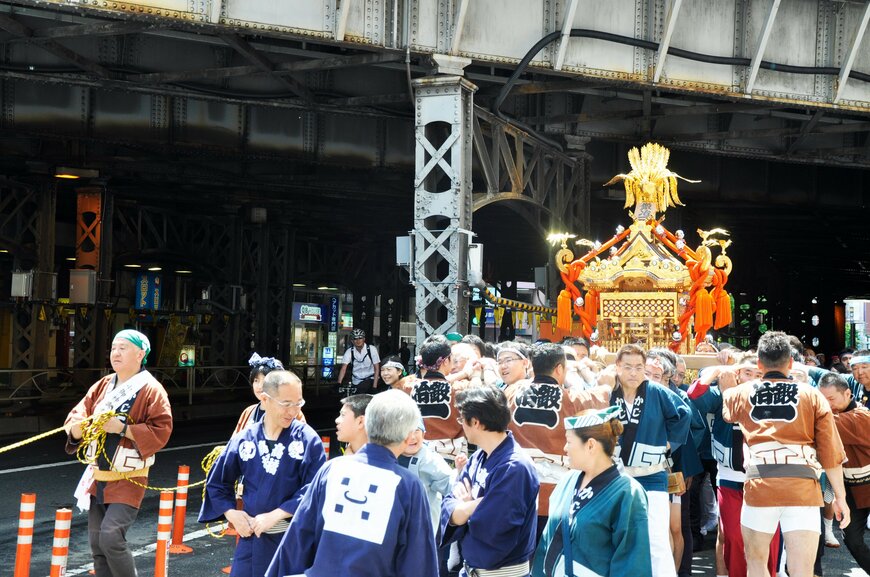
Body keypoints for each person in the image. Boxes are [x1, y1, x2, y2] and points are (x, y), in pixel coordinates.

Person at [265, 389, 439, 577]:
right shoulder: (409, 485)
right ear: (408, 437)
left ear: (367, 424)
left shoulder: (332, 469)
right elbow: (417, 560)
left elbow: (299, 537)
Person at [722, 331, 849, 577]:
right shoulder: (811, 395)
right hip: (803, 487)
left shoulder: (742, 392)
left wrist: (727, 380)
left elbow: (728, 409)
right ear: (790, 363)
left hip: (760, 484)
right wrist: (839, 497)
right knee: (802, 570)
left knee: (757, 564)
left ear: (759, 364)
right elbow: (830, 453)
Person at [64, 329, 173, 577]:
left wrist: (123, 429)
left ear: (140, 354)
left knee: (111, 536)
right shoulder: (103, 384)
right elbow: (78, 413)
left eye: (123, 348)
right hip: (98, 475)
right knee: (97, 542)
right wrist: (78, 428)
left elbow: (162, 429)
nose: (116, 353)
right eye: (113, 348)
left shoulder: (151, 389)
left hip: (129, 477)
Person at [200, 370, 325, 577]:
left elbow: (315, 487)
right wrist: (232, 514)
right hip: (252, 539)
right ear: (265, 400)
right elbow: (218, 483)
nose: (293, 411)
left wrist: (277, 514)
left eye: (298, 403)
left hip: (291, 540)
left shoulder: (307, 440)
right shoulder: (244, 438)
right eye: (286, 404)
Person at [687, 354, 781, 577]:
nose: (752, 378)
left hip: (768, 477)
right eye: (747, 373)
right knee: (735, 537)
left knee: (770, 537)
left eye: (758, 374)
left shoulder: (772, 394)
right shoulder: (722, 393)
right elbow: (695, 394)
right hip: (731, 477)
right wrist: (719, 372)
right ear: (737, 374)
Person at [532, 406, 652, 577]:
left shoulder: (628, 493)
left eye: (569, 441)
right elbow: (546, 544)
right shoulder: (567, 480)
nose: (565, 448)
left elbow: (632, 562)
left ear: (590, 445)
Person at [441, 385, 540, 577]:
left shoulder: (515, 467)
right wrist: (472, 507)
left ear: (476, 422)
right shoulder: (478, 457)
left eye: (462, 419)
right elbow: (449, 505)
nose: (461, 424)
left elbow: (493, 530)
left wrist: (464, 508)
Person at [611, 343, 691, 577]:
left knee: (657, 539)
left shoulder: (655, 391)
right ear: (617, 367)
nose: (634, 373)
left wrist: (670, 442)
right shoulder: (609, 392)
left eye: (639, 367)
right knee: (621, 537)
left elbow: (683, 413)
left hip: (652, 474)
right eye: (628, 367)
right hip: (618, 478)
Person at [818, 372, 870, 572]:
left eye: (831, 399)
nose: (826, 404)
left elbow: (824, 425)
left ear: (848, 393)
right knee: (853, 539)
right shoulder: (833, 418)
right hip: (850, 491)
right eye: (822, 400)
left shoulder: (860, 417)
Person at [408, 336, 465, 463]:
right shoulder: (458, 389)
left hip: (416, 454)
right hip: (451, 457)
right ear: (445, 361)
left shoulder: (408, 387)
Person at [398, 419, 453, 533]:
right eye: (406, 431)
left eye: (416, 431)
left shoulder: (429, 459)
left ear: (424, 434)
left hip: (420, 528)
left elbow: (450, 484)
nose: (412, 437)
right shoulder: (390, 453)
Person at [233, 352, 301, 435]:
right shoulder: (248, 412)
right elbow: (235, 442)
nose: (260, 386)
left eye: (265, 381)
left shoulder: (292, 412)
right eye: (256, 381)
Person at [338, 328, 381, 393]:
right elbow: (343, 368)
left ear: (364, 339)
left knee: (363, 389)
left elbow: (377, 368)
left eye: (360, 338)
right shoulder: (349, 351)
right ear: (352, 341)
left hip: (370, 380)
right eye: (355, 338)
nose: (358, 340)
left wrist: (374, 387)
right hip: (356, 381)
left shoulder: (371, 349)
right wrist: (339, 383)